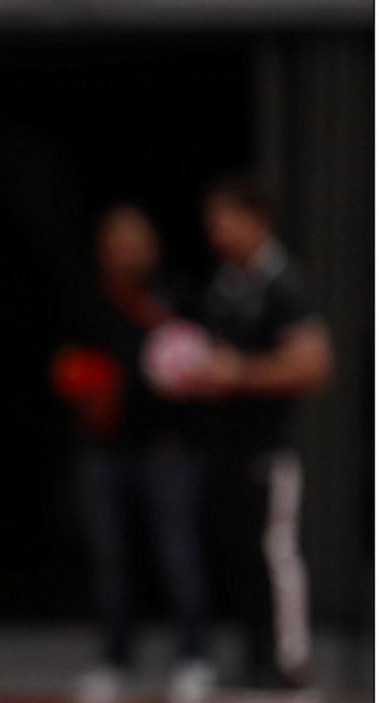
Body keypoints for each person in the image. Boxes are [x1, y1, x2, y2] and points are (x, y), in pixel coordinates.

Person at [177, 174, 331, 690]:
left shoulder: (285, 283)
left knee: (276, 554)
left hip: (271, 449)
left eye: (223, 223)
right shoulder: (226, 285)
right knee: (240, 554)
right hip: (227, 447)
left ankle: (290, 663)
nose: (216, 235)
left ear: (255, 220)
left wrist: (238, 373)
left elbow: (313, 366)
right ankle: (256, 657)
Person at [55, 205, 211, 702]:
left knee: (179, 554)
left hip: (167, 451)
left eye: (136, 241)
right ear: (104, 250)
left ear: (154, 247)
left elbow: (204, 365)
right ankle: (114, 660)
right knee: (112, 559)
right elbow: (66, 365)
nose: (128, 252)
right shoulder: (88, 299)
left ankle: (193, 657)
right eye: (118, 241)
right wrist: (87, 389)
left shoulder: (180, 296)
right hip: (105, 453)